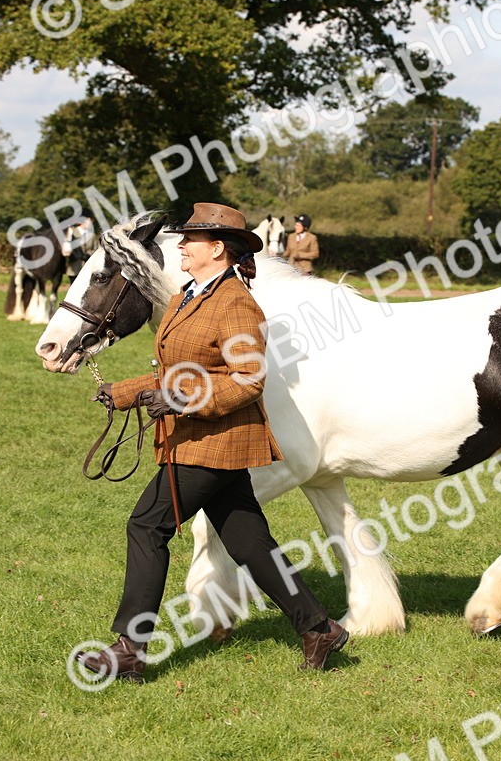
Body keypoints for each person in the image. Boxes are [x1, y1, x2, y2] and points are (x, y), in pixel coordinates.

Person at [78, 203, 348, 683]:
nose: (180, 246)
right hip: (200, 438)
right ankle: (318, 626)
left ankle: (129, 649)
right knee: (250, 542)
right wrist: (122, 393)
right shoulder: (188, 296)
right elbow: (173, 372)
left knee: (146, 527)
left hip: (214, 440)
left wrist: (182, 403)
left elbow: (248, 381)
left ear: (217, 249)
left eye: (190, 241)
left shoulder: (237, 305)